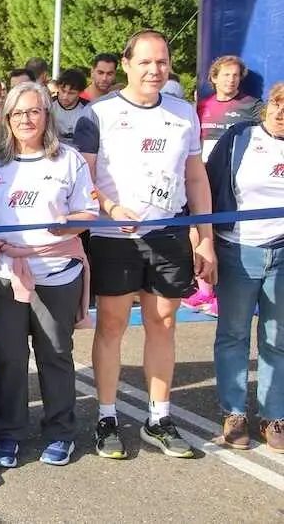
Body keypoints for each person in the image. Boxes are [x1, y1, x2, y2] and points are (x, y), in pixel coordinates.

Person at [73, 29, 215, 461]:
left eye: (163, 62)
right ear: (128, 64)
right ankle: (108, 416)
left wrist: (205, 238)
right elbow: (84, 180)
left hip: (168, 232)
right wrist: (112, 208)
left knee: (164, 324)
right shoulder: (97, 114)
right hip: (114, 236)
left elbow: (195, 178)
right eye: (146, 62)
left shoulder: (183, 112)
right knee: (113, 325)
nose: (155, 70)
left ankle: (159, 417)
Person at [0, 82, 98, 469]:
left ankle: (61, 432)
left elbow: (87, 214)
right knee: (8, 357)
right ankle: (7, 435)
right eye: (17, 113)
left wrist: (68, 226)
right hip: (2, 274)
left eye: (34, 111)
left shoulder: (69, 159)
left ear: (47, 115)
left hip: (56, 273)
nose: (26, 119)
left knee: (56, 354)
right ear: (6, 118)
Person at [205, 81, 284, 454]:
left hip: (282, 253)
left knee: (276, 338)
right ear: (267, 106)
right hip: (238, 250)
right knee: (233, 334)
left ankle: (274, 415)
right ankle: (234, 413)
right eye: (278, 105)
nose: (282, 113)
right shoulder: (240, 138)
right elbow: (207, 184)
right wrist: (204, 243)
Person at [187, 56, 266, 314]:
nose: (230, 80)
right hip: (204, 175)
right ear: (214, 78)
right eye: (225, 75)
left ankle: (224, 292)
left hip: (234, 180)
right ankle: (204, 291)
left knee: (224, 234)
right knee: (196, 230)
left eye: (235, 76)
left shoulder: (252, 106)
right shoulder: (202, 105)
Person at [51, 69, 88, 144]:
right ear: (58, 87)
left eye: (71, 93)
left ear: (80, 92)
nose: (65, 97)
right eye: (63, 91)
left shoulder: (88, 109)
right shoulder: (48, 105)